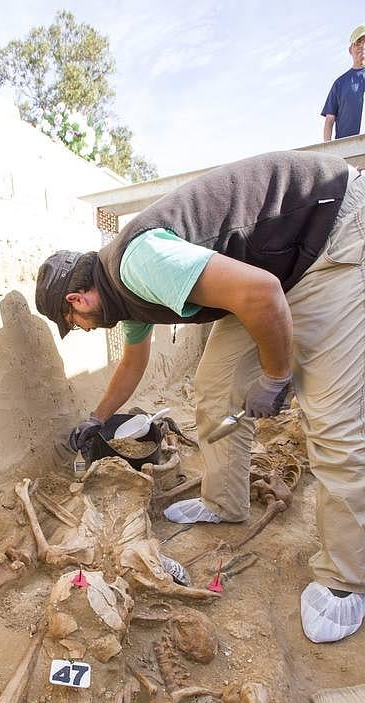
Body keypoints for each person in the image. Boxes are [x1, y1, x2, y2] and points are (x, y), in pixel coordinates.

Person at [34, 150, 365, 645]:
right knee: (215, 389)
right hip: (274, 269)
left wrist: (276, 377)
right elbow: (133, 363)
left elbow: (261, 294)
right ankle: (226, 501)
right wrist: (97, 418)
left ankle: (345, 578)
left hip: (328, 237)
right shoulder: (125, 289)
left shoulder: (139, 265)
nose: (80, 329)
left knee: (333, 421)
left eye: (73, 325)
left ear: (77, 300)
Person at [321, 24, 365, 141]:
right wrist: (329, 149)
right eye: (358, 42)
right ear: (350, 50)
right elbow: (330, 119)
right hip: (347, 150)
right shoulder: (340, 84)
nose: (362, 46)